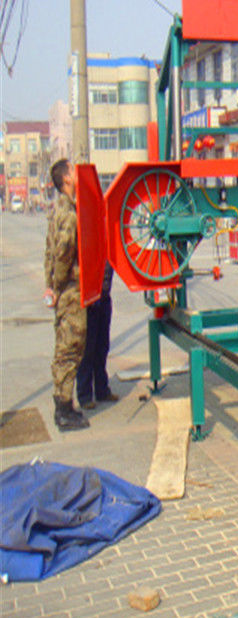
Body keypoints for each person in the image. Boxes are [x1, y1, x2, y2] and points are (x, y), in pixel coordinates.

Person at [43, 158, 89, 430]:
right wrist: (59, 286)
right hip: (70, 290)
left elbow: (48, 252)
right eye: (73, 169)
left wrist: (49, 284)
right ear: (67, 179)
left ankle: (65, 405)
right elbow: (62, 253)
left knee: (65, 346)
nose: (77, 172)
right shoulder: (69, 214)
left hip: (64, 289)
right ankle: (63, 410)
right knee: (70, 348)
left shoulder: (58, 209)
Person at [76, 261, 119, 409]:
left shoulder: (108, 248)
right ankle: (84, 395)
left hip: (104, 295)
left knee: (102, 346)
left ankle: (102, 390)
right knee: (88, 348)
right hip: (89, 298)